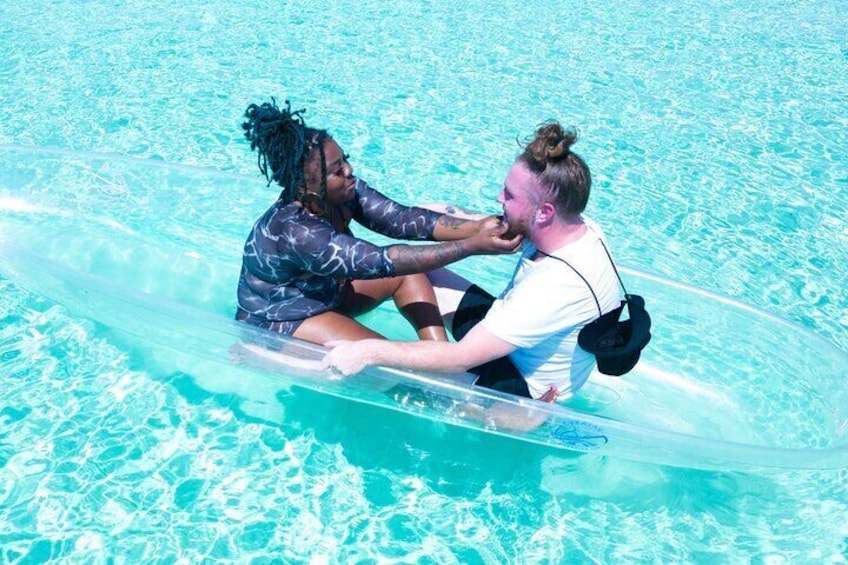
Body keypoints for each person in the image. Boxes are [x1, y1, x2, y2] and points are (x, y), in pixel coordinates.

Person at [323, 121, 623, 402]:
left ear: (544, 213)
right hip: (509, 335)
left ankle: (493, 410)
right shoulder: (574, 227)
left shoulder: (554, 288)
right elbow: (467, 220)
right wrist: (401, 216)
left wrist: (368, 352)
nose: (498, 197)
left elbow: (461, 358)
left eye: (510, 195)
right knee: (421, 270)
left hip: (519, 392)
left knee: (386, 377)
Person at [236, 99, 521, 345]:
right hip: (281, 319)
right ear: (305, 185)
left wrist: (477, 227)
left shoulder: (344, 192)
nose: (349, 171)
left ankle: (440, 355)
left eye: (345, 160)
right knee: (387, 357)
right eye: (337, 171)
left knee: (409, 276)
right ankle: (429, 381)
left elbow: (401, 219)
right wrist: (472, 246)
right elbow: (380, 261)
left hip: (326, 293)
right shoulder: (296, 231)